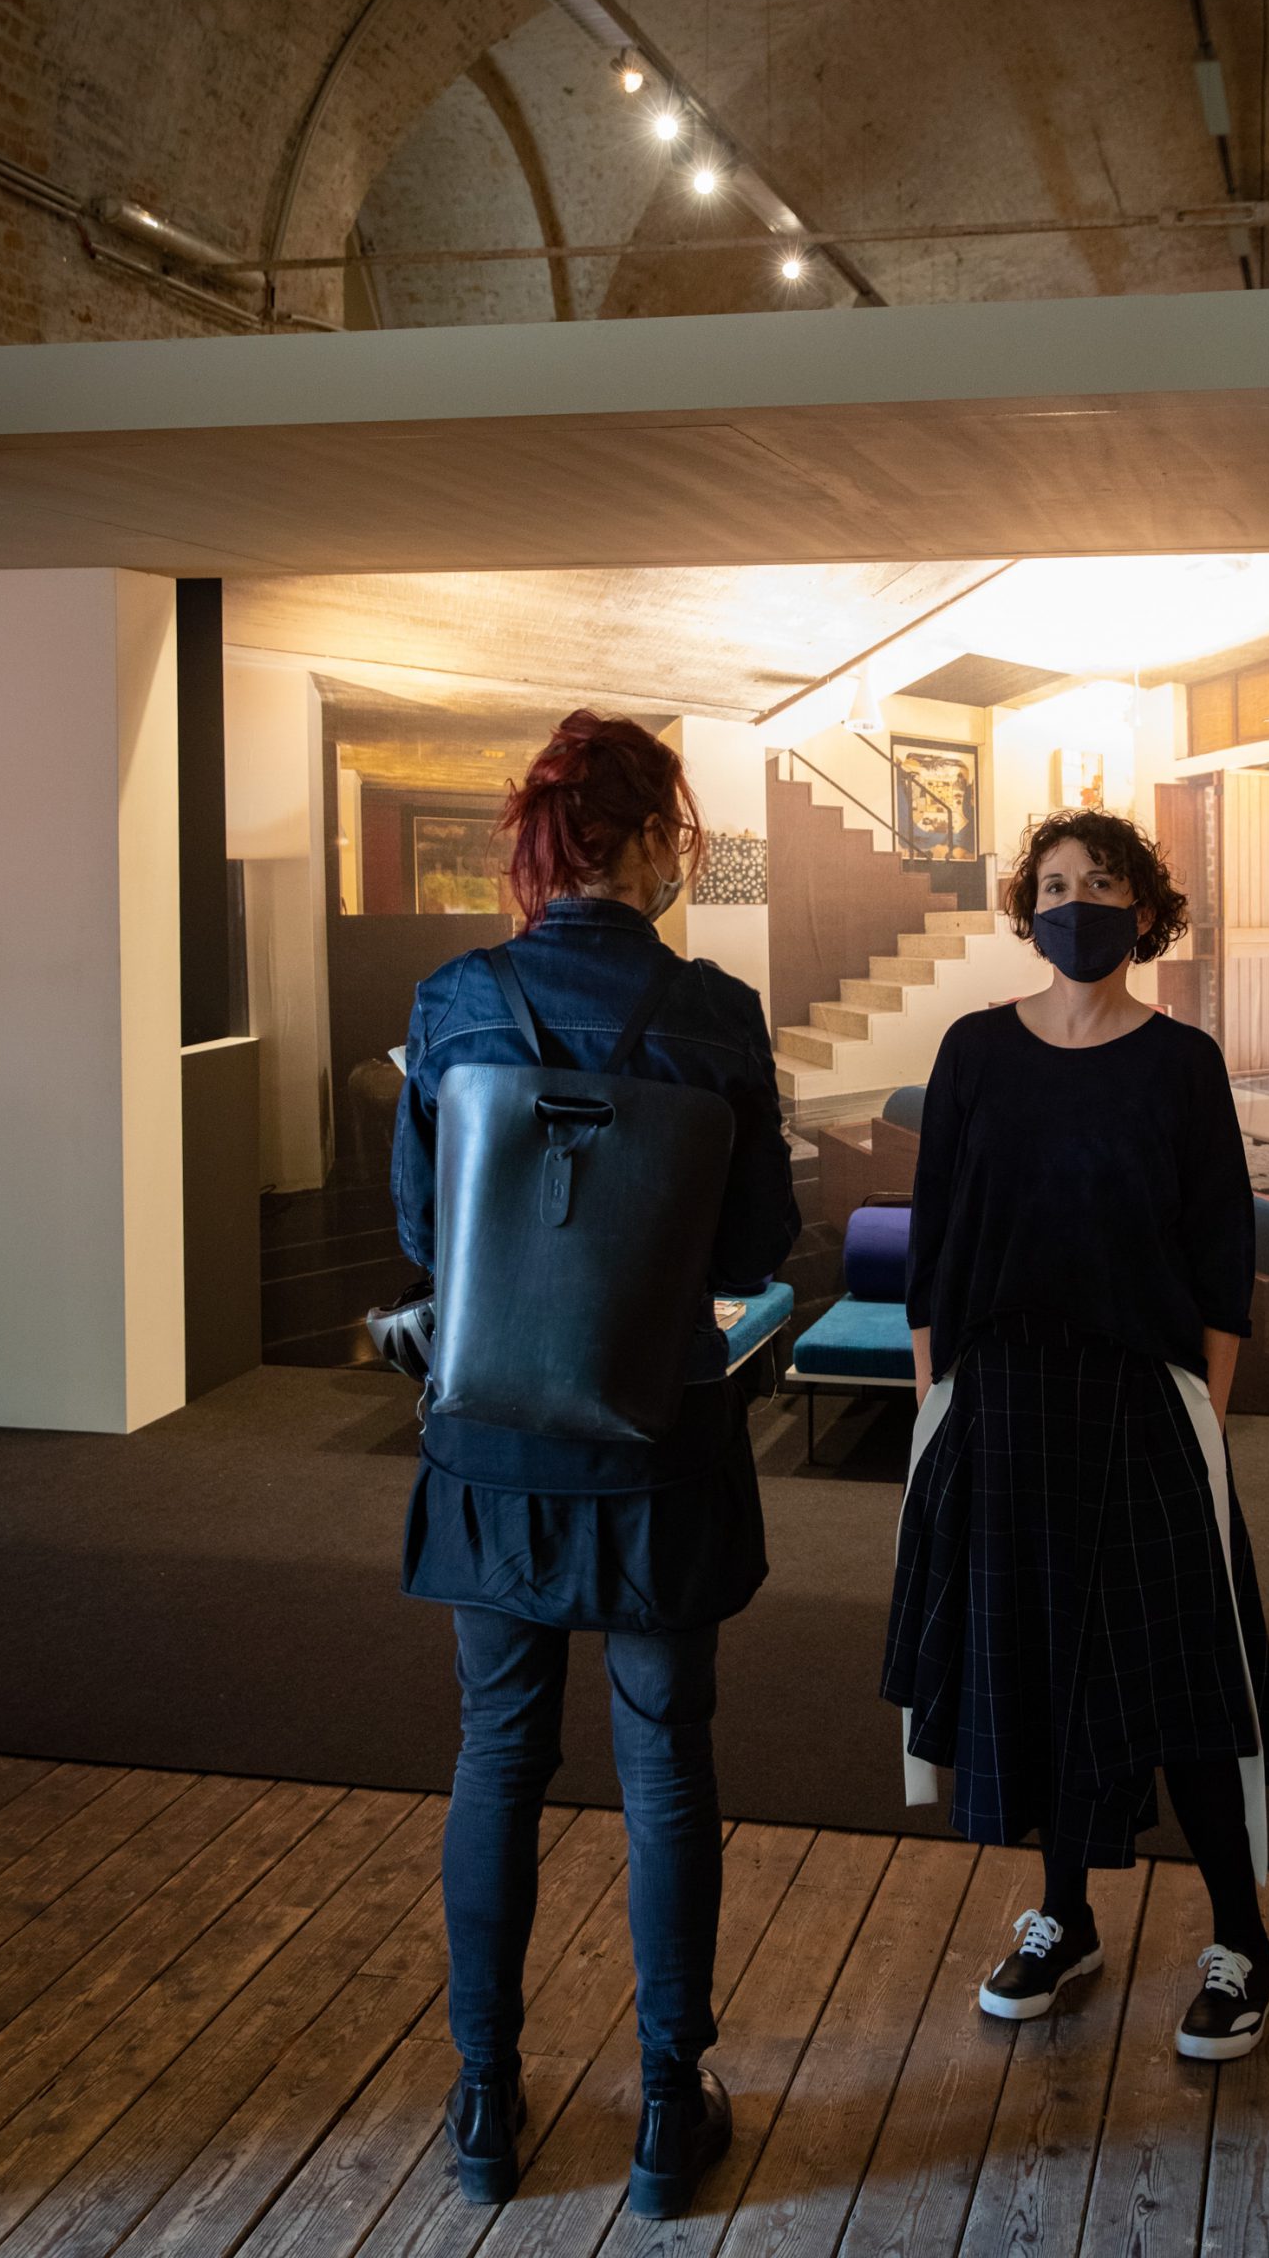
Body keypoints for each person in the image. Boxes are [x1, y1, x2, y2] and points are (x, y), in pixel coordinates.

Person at [391, 711, 799, 2213]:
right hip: (656, 1445)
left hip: (492, 1441)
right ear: (646, 842)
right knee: (663, 1764)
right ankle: (661, 2117)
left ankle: (486, 2111)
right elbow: (757, 1245)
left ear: (542, 846)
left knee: (497, 1754)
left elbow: (428, 1241)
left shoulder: (453, 1002)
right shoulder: (716, 1013)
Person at [882, 808, 1269, 2061]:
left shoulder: (1180, 1062)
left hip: (1142, 1400)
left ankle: (1243, 1942)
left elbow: (1223, 1259)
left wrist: (1203, 1424)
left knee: (1180, 1672)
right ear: (1027, 906)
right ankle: (1065, 1914)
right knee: (1039, 1666)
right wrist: (932, 1406)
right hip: (999, 1403)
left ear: (1142, 906)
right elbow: (934, 1244)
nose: (1076, 903)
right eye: (1054, 884)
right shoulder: (972, 1053)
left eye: (1100, 883)